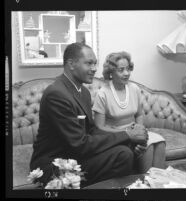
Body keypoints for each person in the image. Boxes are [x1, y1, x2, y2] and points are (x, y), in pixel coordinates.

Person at [30, 43, 148, 187]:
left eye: (95, 64)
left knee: (125, 152)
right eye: (89, 63)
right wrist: (127, 135)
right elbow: (79, 144)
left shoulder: (83, 92)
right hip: (54, 162)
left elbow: (91, 131)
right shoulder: (57, 94)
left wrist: (130, 140)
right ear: (71, 64)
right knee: (123, 156)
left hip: (74, 154)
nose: (94, 69)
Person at [92, 51, 166, 173]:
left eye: (128, 69)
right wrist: (128, 134)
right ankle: (143, 184)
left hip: (135, 133)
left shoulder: (134, 89)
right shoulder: (103, 93)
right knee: (149, 146)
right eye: (121, 70)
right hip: (116, 136)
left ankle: (158, 185)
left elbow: (139, 114)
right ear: (111, 72)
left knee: (160, 142)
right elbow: (99, 127)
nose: (126, 73)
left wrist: (140, 134)